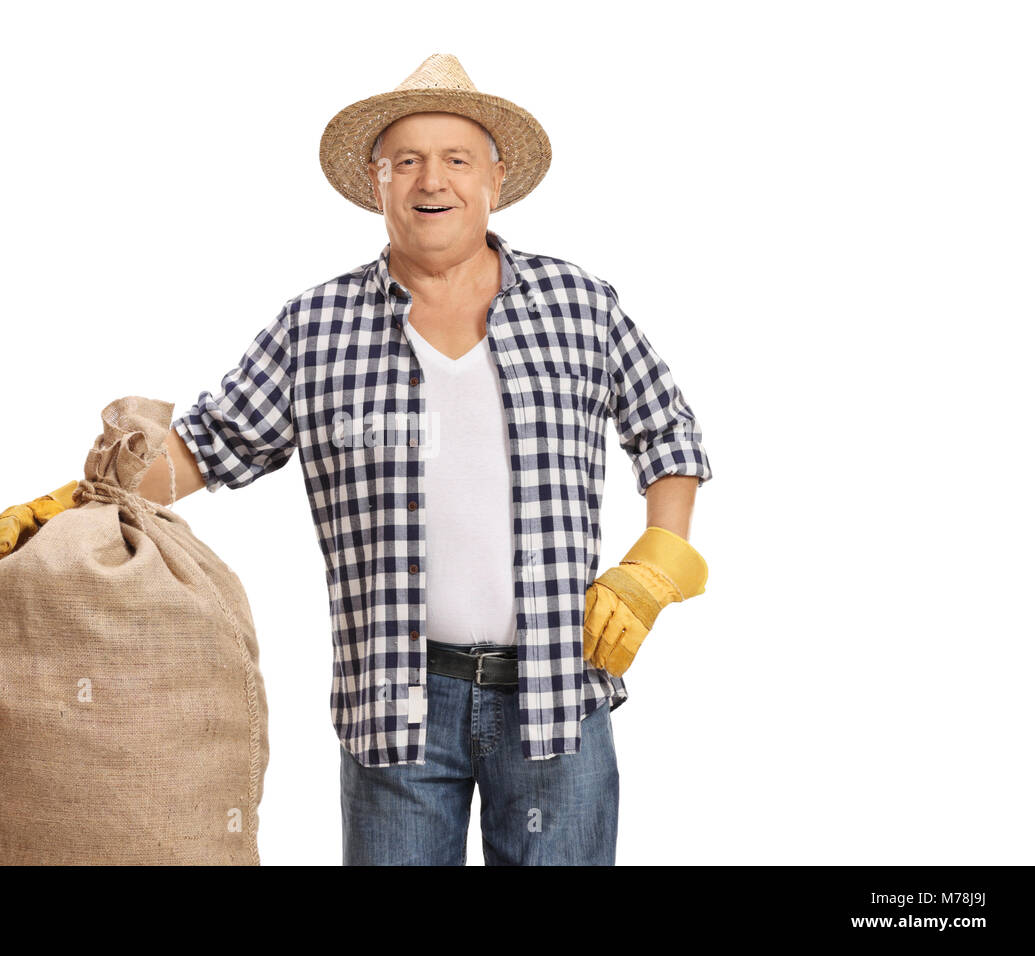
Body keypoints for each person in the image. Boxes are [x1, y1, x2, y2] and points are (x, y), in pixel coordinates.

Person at [139, 53, 715, 865]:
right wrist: (84, 492)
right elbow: (204, 448)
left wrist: (660, 555)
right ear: (376, 182)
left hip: (559, 693)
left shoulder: (578, 304)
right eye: (405, 160)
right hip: (396, 704)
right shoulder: (317, 327)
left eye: (455, 159)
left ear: (494, 178)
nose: (429, 179)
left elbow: (668, 430)